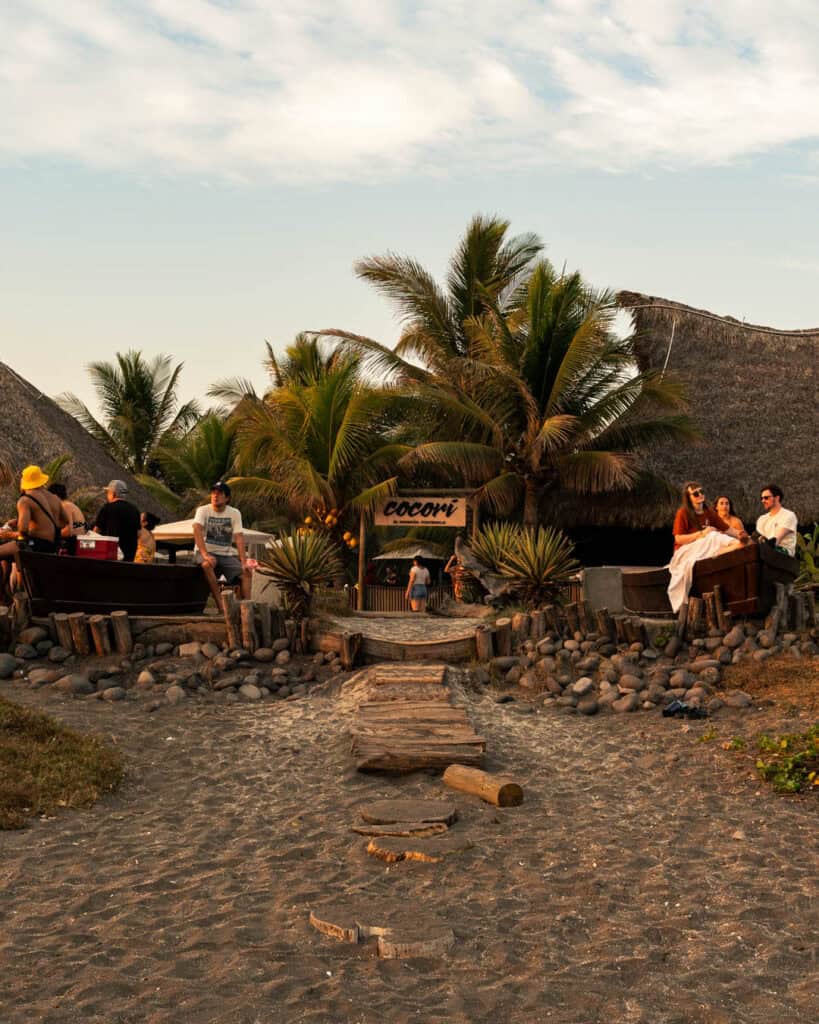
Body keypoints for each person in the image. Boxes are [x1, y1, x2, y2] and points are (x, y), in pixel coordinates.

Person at [666, 481, 747, 612]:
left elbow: (728, 530)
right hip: (684, 551)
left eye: (701, 491)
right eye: (695, 493)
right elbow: (678, 538)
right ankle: (736, 546)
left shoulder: (708, 512)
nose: (700, 495)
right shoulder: (683, 513)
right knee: (713, 535)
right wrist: (701, 534)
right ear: (689, 498)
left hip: (703, 548)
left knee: (715, 535)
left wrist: (741, 534)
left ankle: (740, 545)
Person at [0, 466, 69, 594]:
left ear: (24, 482)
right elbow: (66, 521)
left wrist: (7, 534)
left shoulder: (25, 500)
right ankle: (5, 597)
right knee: (6, 557)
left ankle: (5, 597)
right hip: (52, 546)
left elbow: (23, 531)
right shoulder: (54, 498)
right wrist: (44, 528)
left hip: (34, 545)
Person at [192, 481, 251, 610]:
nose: (215, 496)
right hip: (204, 552)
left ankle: (247, 607)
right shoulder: (202, 510)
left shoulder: (235, 513)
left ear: (227, 498)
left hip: (225, 554)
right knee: (207, 564)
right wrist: (205, 555)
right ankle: (221, 606)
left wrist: (243, 561)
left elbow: (239, 537)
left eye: (219, 493)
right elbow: (197, 530)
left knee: (246, 573)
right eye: (213, 493)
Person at [94, 480, 141, 561]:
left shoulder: (107, 508)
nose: (107, 495)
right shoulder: (134, 510)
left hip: (111, 555)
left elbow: (96, 531)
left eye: (108, 492)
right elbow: (139, 534)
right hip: (129, 558)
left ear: (113, 493)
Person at [755, 484, 798, 557]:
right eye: (761, 498)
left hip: (783, 553)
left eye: (766, 498)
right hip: (766, 550)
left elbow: (776, 540)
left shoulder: (789, 515)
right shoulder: (762, 519)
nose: (763, 501)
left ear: (777, 498)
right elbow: (760, 538)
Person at [48, 482, 86, 555]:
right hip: (78, 543)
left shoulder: (64, 506)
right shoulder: (70, 505)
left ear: (55, 496)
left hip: (72, 545)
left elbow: (68, 531)